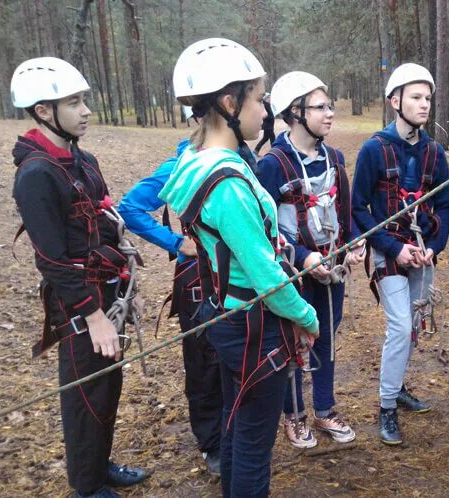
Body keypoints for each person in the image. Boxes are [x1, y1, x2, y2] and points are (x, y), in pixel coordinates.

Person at [159, 38, 319, 498]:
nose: (266, 111)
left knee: (235, 425)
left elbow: (248, 243)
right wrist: (307, 318)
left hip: (227, 314)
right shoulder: (226, 182)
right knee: (252, 443)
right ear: (230, 103)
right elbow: (267, 276)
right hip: (254, 323)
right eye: (260, 98)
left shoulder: (198, 161)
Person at [10, 57, 148, 498]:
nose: (86, 110)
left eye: (84, 100)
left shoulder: (82, 160)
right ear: (44, 111)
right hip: (78, 306)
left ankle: (99, 465)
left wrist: (128, 287)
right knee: (85, 393)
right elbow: (51, 258)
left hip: (109, 292)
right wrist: (93, 317)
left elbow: (108, 225)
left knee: (109, 385)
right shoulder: (35, 175)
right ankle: (85, 486)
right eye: (74, 102)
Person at [257, 71, 365, 449]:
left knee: (326, 338)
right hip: (293, 274)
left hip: (331, 271)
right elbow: (266, 225)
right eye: (321, 107)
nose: (330, 113)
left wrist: (353, 243)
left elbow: (345, 207)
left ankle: (324, 409)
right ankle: (294, 415)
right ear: (294, 113)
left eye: (330, 105)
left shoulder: (334, 157)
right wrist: (301, 257)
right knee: (292, 343)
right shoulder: (272, 165)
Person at [351, 62, 449, 445]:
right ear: (395, 100)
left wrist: (433, 248)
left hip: (422, 254)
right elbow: (359, 207)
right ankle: (387, 406)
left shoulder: (435, 153)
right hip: (388, 253)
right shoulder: (374, 151)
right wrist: (395, 248)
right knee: (400, 327)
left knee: (411, 327)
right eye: (415, 97)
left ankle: (398, 386)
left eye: (428, 97)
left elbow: (446, 206)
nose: (424, 104)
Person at [117, 136, 223, 474]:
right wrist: (177, 242)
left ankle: (236, 431)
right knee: (204, 361)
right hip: (198, 281)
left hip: (239, 275)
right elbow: (130, 208)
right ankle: (213, 443)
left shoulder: (240, 158)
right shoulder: (184, 164)